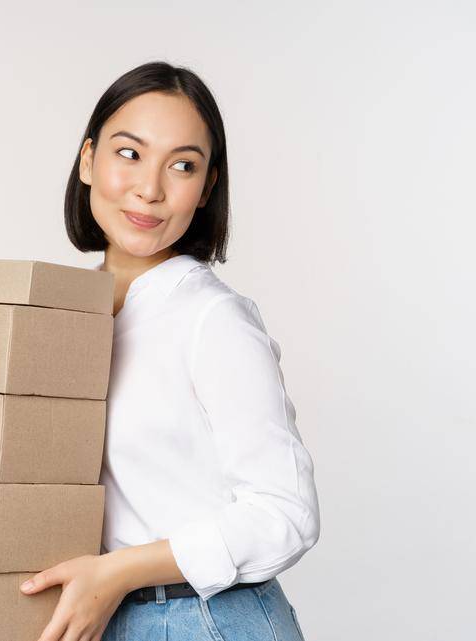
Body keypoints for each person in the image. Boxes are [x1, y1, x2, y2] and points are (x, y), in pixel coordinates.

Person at [16, 61, 321, 641]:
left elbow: (287, 514)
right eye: (129, 153)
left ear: (206, 189)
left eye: (182, 166)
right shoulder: (66, 317)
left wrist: (119, 572)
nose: (149, 189)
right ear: (87, 160)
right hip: (102, 617)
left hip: (203, 620)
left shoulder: (212, 318)